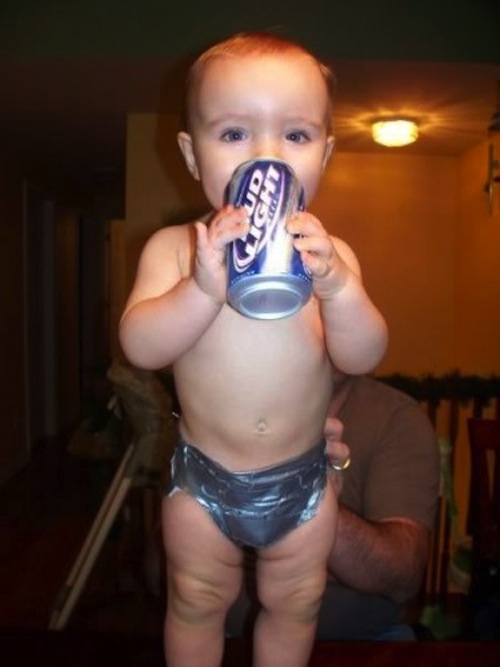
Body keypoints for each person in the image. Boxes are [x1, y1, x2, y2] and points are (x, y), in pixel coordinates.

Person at [119, 32, 388, 667]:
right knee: (196, 598)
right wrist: (200, 290)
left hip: (302, 481)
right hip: (204, 479)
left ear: (325, 154)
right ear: (193, 155)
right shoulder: (177, 249)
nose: (268, 156)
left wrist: (340, 289)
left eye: (295, 135)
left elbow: (364, 355)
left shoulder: (332, 257)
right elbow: (140, 345)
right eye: (235, 133)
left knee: (297, 601)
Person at [226, 373, 440, 641]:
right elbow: (173, 566)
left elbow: (404, 575)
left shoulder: (397, 418)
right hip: (226, 635)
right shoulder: (219, 402)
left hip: (361, 643)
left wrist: (315, 504)